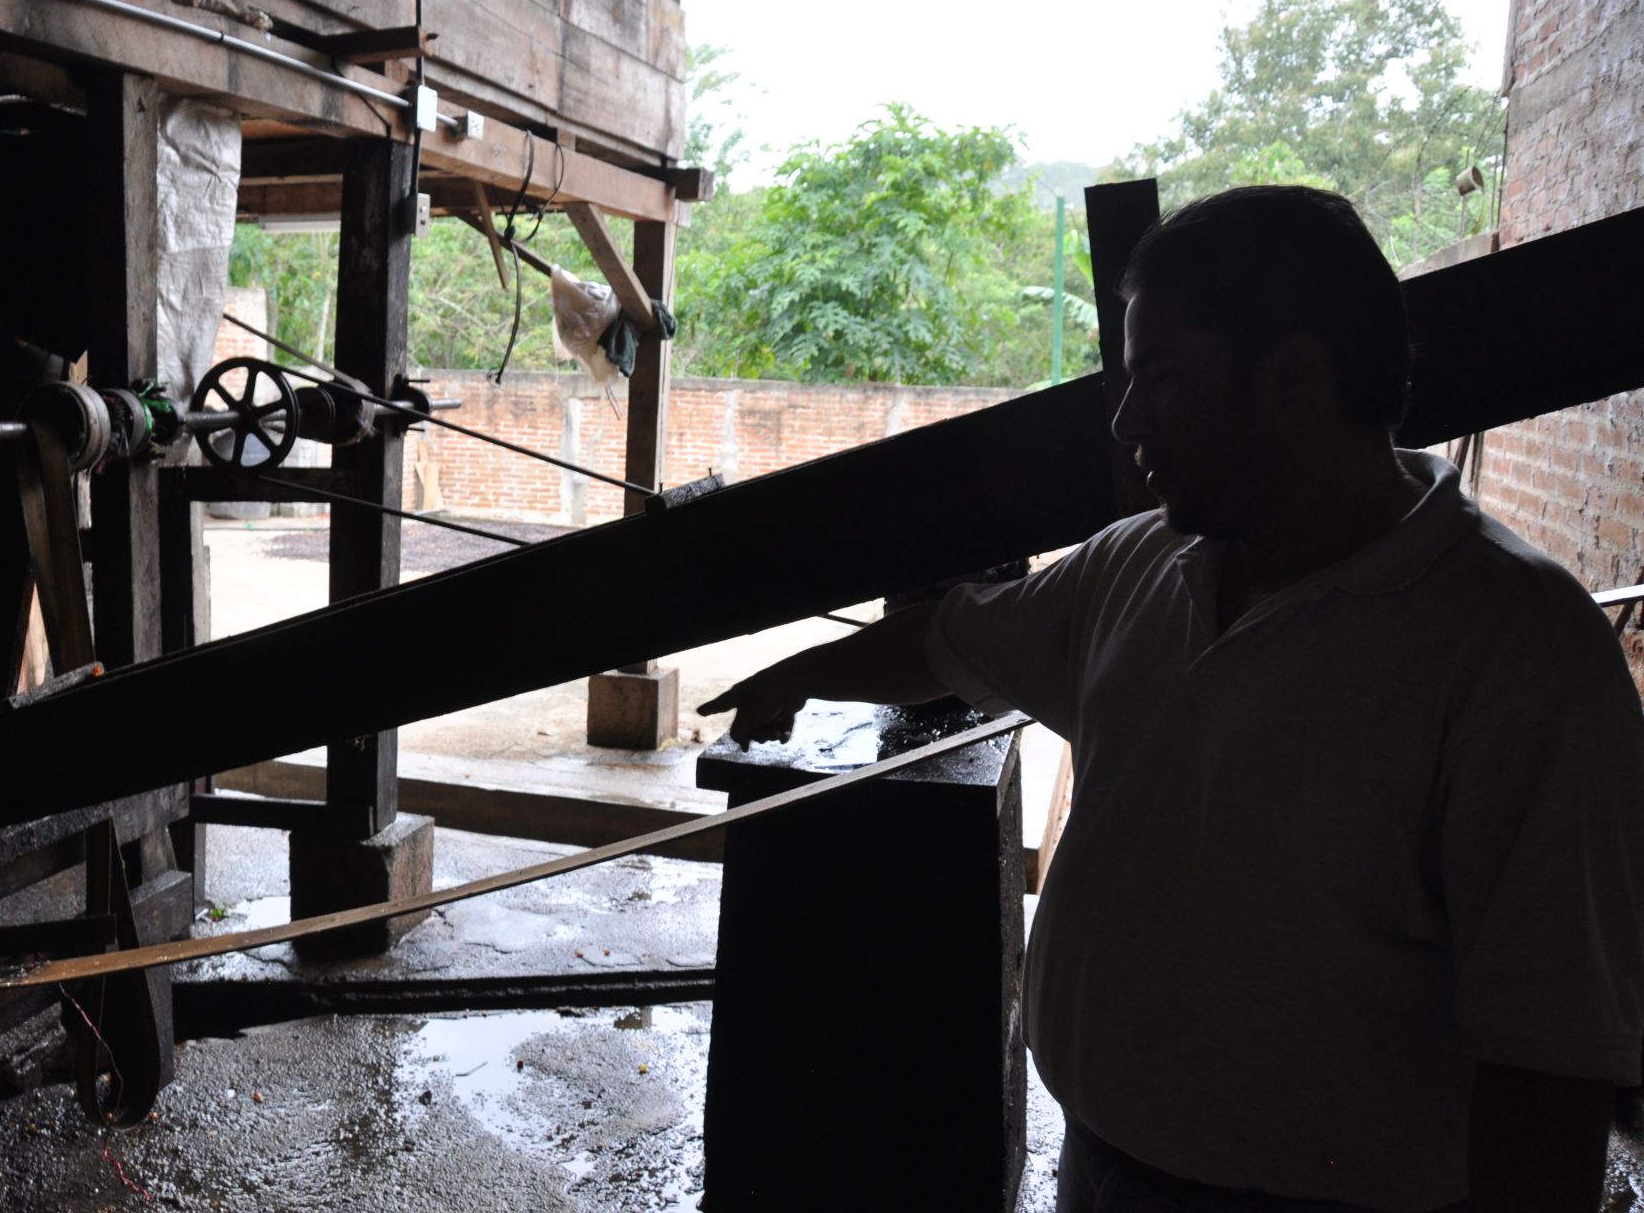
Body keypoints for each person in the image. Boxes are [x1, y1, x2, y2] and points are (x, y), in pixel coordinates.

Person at [700, 185, 1644, 1213]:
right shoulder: (1139, 565)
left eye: (1161, 381)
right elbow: (947, 644)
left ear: (1294, 377)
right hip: (1098, 1171)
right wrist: (801, 671)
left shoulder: (1517, 651)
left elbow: (1549, 1061)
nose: (1124, 422)